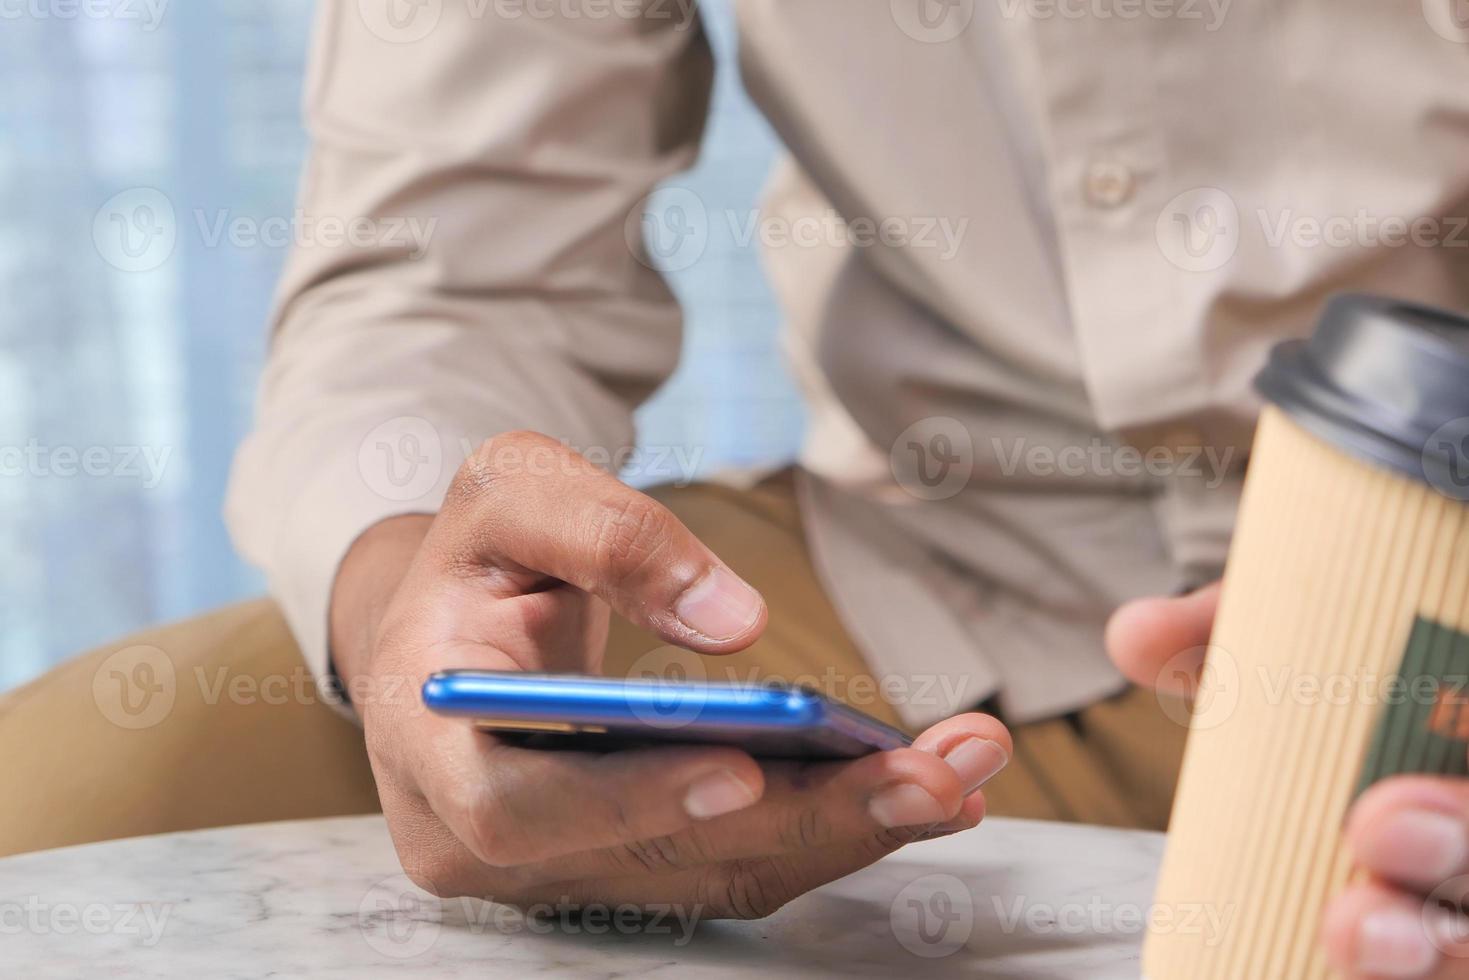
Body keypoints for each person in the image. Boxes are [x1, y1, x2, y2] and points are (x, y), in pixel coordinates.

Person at [3, 1, 1468, 974]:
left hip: (1438, 629)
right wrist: (417, 608)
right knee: (75, 779)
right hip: (951, 580)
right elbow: (450, 258)